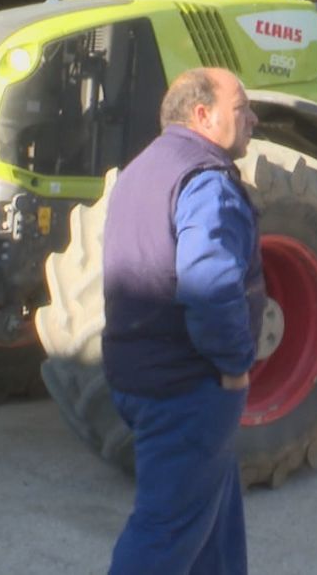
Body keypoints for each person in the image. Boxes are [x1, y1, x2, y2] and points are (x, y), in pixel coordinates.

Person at [102, 67, 263, 574]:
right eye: (241, 109)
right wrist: (235, 366)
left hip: (139, 376)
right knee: (163, 535)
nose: (253, 119)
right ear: (203, 115)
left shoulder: (140, 170)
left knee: (215, 524)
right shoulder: (207, 182)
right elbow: (209, 283)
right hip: (186, 389)